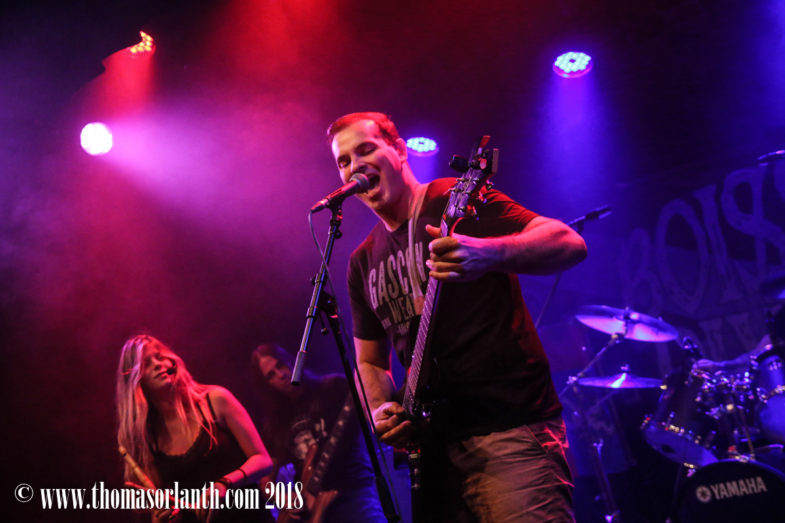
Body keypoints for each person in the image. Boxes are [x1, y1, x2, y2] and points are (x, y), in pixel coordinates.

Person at [328, 112, 588, 521]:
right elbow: (370, 361)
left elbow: (568, 242)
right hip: (433, 457)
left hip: (509, 433)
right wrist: (380, 409)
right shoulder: (362, 261)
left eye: (366, 150)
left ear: (399, 151)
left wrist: (488, 253)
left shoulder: (451, 199)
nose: (354, 166)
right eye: (343, 161)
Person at [117, 334, 274, 523]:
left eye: (159, 357)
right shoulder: (149, 439)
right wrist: (166, 516)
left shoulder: (216, 400)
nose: (158, 364)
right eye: (146, 364)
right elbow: (160, 510)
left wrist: (224, 484)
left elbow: (263, 460)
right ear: (136, 379)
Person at [250, 343, 386, 522]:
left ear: (291, 361)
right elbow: (265, 478)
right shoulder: (275, 423)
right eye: (271, 375)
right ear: (268, 385)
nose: (281, 375)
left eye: (280, 365)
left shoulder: (333, 388)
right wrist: (282, 499)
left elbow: (373, 412)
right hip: (310, 507)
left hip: (353, 489)